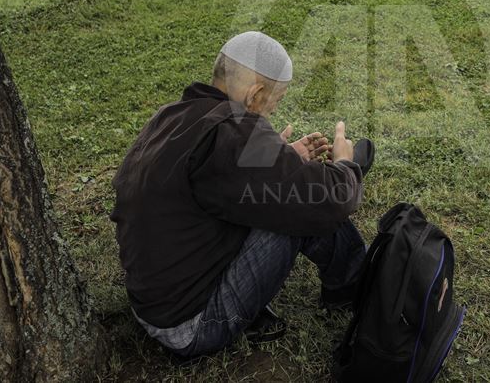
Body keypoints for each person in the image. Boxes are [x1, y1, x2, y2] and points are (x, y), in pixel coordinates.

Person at [111, 31, 373, 361]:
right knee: (301, 203)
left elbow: (216, 178)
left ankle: (349, 280)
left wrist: (278, 155)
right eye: (274, 103)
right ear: (254, 95)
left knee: (281, 189)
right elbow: (329, 201)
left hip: (152, 306)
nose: (271, 111)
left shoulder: (172, 116)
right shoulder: (235, 135)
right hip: (191, 326)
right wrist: (347, 165)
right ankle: (351, 286)